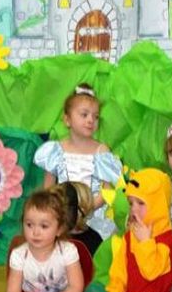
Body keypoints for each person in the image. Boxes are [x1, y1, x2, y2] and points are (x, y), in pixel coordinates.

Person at [0, 189, 95, 292]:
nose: (35, 232)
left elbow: (76, 287)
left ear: (59, 229)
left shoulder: (68, 250)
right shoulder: (19, 254)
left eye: (44, 226)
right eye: (29, 225)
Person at [34, 83, 122, 239]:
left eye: (95, 116)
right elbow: (49, 188)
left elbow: (107, 190)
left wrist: (85, 210)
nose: (91, 120)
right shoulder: (56, 150)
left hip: (93, 219)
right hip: (63, 216)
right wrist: (63, 212)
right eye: (84, 114)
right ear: (67, 120)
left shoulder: (101, 152)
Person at [104, 168, 172, 292]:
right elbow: (118, 275)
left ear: (158, 203)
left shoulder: (169, 240)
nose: (134, 209)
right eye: (131, 203)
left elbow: (151, 272)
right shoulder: (129, 237)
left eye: (141, 203)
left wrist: (145, 242)